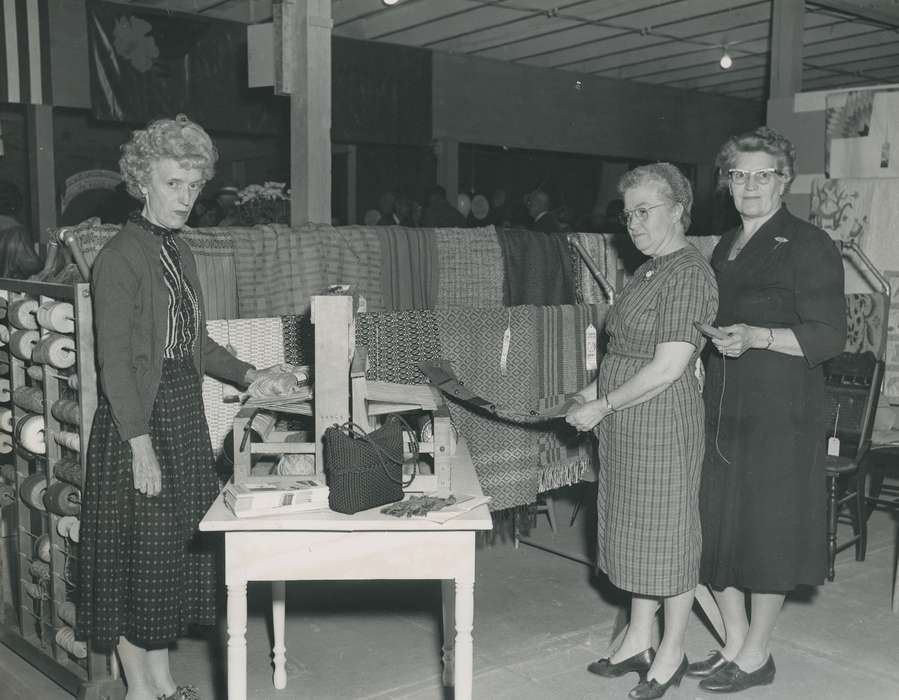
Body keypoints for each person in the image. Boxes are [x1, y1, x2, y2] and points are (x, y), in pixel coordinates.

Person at [76, 115, 281, 700]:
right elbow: (114, 363)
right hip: (137, 421)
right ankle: (144, 692)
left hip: (183, 415)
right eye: (173, 184)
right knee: (138, 563)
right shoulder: (120, 257)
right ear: (143, 182)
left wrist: (250, 374)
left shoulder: (180, 252)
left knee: (165, 560)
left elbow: (194, 341)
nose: (186, 198)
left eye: (194, 186)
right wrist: (139, 444)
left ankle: (165, 683)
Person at [689, 127, 846, 693]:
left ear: (784, 181)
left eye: (763, 174)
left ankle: (757, 655)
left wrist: (759, 336)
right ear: (726, 183)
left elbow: (830, 335)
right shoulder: (723, 245)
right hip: (726, 405)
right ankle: (733, 641)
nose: (750, 184)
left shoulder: (808, 244)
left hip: (782, 409)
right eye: (739, 174)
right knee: (718, 523)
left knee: (766, 530)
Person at [566, 163, 718, 700]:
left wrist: (602, 404)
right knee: (635, 528)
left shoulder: (689, 273)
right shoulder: (649, 269)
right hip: (628, 421)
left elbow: (668, 367)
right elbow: (626, 350)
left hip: (659, 420)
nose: (633, 223)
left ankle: (672, 650)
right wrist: (591, 391)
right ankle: (637, 637)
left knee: (668, 534)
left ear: (678, 209)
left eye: (645, 210)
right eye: (627, 213)